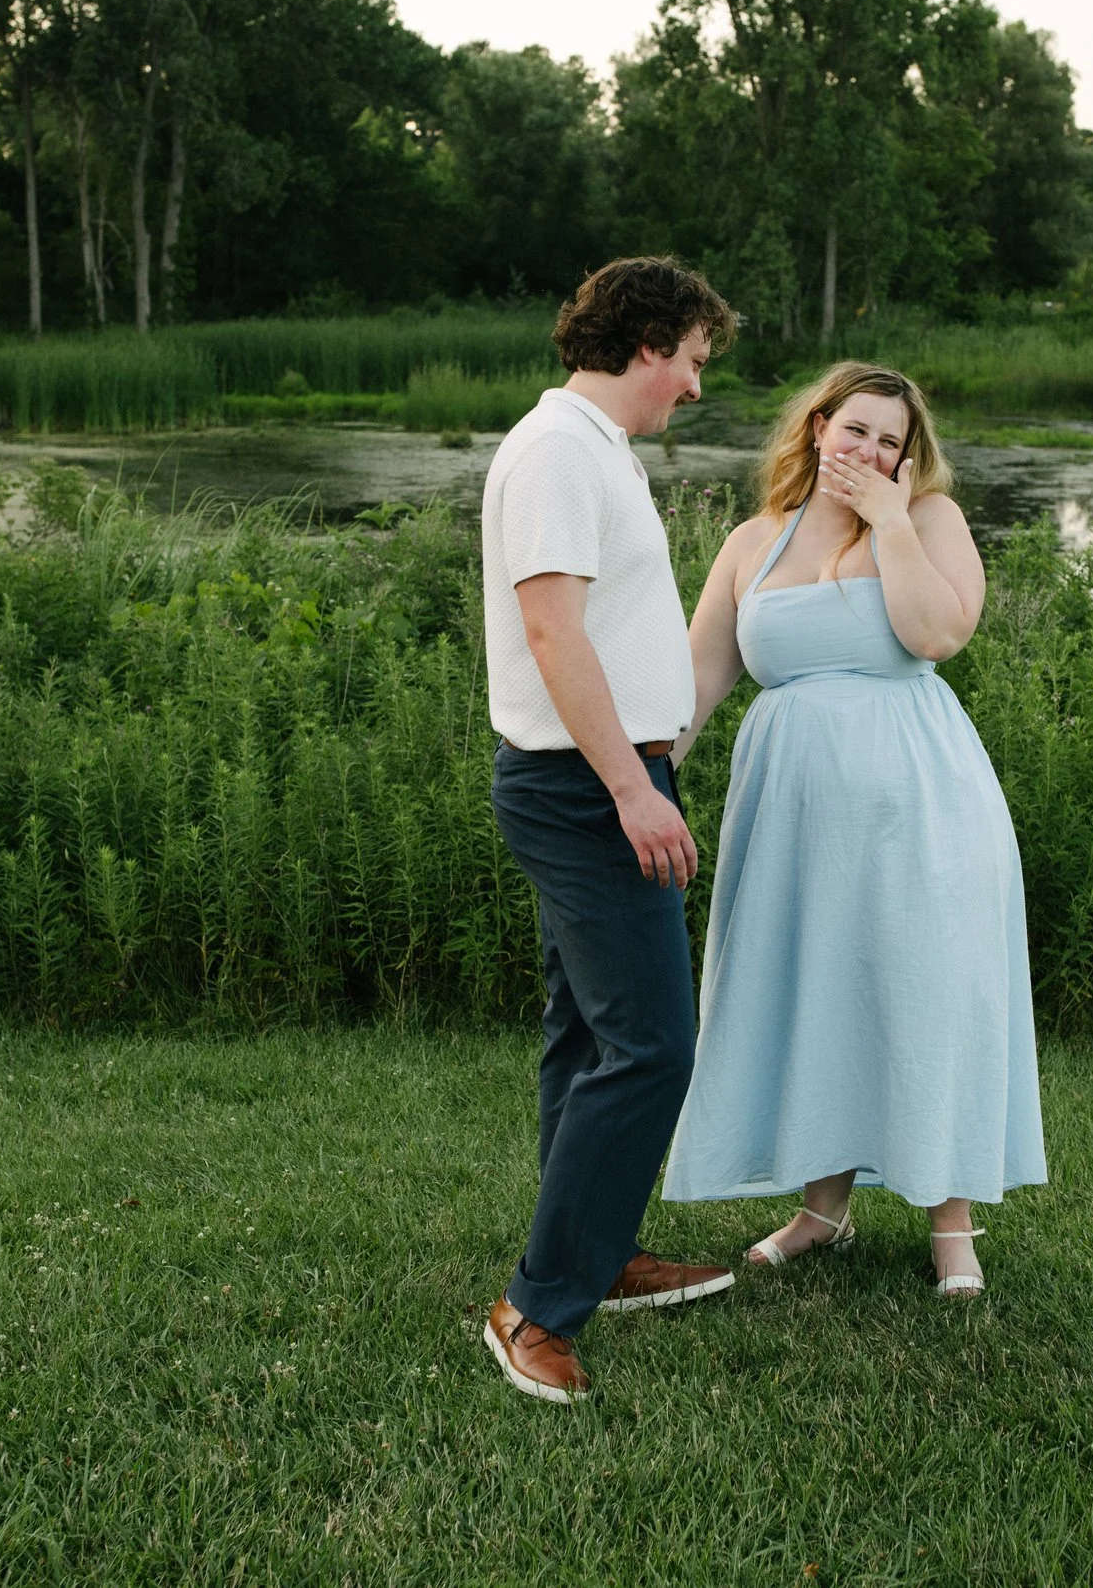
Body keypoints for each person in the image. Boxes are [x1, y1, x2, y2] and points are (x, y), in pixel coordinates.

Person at [663, 361, 1047, 1297]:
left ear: (910, 457)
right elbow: (697, 679)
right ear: (818, 427)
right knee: (817, 987)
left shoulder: (932, 520)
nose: (870, 450)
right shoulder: (752, 540)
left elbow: (936, 635)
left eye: (891, 441)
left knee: (926, 988)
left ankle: (951, 1222)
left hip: (921, 801)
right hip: (792, 814)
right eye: (856, 430)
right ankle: (822, 1209)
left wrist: (890, 520)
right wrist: (640, 782)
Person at [479, 257, 743, 1405]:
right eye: (691, 359)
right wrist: (633, 790)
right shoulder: (554, 451)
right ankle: (536, 1306)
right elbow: (552, 633)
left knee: (588, 1032)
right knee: (651, 1044)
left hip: (608, 774)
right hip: (584, 786)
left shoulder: (597, 449)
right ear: (645, 343)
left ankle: (600, 1248)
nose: (695, 384)